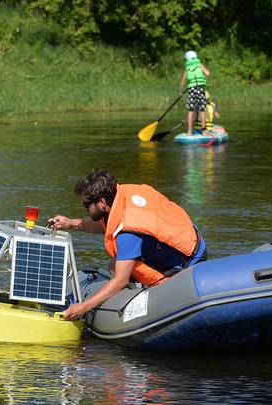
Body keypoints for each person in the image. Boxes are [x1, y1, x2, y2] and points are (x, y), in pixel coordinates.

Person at [48, 169, 207, 320]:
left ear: (102, 202)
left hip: (186, 265)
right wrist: (70, 223)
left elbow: (121, 280)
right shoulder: (122, 195)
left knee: (114, 266)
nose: (85, 209)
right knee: (117, 264)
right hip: (193, 242)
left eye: (86, 205)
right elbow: (107, 226)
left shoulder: (128, 233)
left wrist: (83, 307)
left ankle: (150, 291)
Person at [179, 50, 210, 136]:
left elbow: (183, 81)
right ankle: (204, 131)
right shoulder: (199, 64)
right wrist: (206, 71)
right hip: (200, 89)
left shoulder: (187, 68)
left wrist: (181, 91)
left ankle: (189, 132)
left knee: (191, 110)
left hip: (192, 90)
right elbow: (207, 73)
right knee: (202, 110)